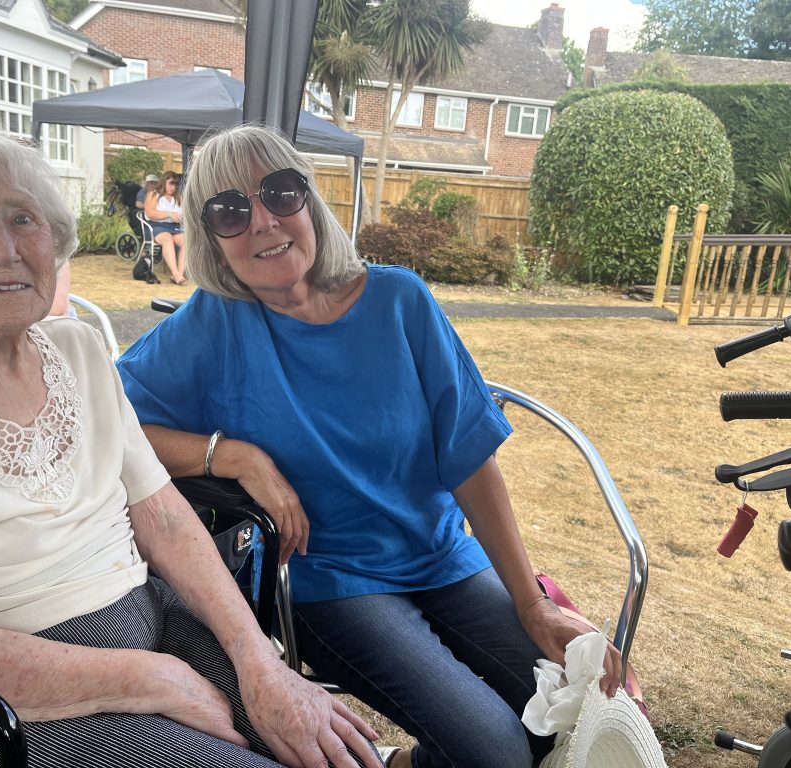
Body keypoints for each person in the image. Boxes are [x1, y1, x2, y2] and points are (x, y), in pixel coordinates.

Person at [0, 122, 381, 768]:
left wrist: (262, 661)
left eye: (22, 218)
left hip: (143, 619)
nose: (2, 248)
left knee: (330, 743)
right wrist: (154, 680)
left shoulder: (78, 349)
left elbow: (167, 518)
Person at [116, 125, 623, 768]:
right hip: (328, 579)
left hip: (441, 555)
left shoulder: (399, 300)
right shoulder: (213, 324)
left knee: (574, 712)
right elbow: (106, 421)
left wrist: (532, 602)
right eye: (230, 211)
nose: (265, 222)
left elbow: (469, 456)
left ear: (309, 201)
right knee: (496, 751)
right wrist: (234, 455)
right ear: (209, 235)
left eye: (280, 192)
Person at [145, 170, 187, 284]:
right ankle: (176, 274)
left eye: (175, 185)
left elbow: (185, 213)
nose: (173, 187)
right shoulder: (153, 195)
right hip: (157, 226)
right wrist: (169, 214)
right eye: (170, 184)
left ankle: (179, 273)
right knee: (167, 239)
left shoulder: (178, 197)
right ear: (163, 182)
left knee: (186, 242)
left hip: (175, 227)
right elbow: (150, 213)